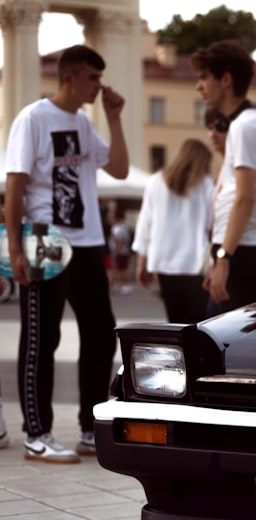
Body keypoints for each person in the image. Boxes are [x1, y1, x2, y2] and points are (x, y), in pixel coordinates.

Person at [4, 45, 128, 463]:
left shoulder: (82, 123)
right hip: (45, 236)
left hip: (88, 240)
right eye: (93, 78)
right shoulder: (34, 118)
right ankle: (37, 433)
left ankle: (90, 429)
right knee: (42, 336)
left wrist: (113, 118)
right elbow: (16, 184)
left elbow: (121, 169)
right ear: (70, 77)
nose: (100, 85)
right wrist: (15, 247)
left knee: (100, 331)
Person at [193, 40, 256, 313]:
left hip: (240, 251)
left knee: (220, 347)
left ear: (225, 79)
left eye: (203, 77)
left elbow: (244, 199)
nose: (198, 86)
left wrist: (223, 258)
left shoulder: (244, 127)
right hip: (244, 250)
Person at [132, 139, 214, 323]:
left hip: (164, 263)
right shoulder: (206, 185)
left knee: (175, 321)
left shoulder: (155, 182)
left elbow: (145, 225)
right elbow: (212, 227)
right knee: (196, 323)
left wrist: (141, 263)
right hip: (195, 264)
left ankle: (180, 352)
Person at [108, 213, 133, 292]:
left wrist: (117, 251)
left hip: (121, 251)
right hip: (121, 251)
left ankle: (126, 284)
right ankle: (120, 284)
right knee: (119, 269)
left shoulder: (119, 229)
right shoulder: (122, 227)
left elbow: (120, 241)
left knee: (122, 269)